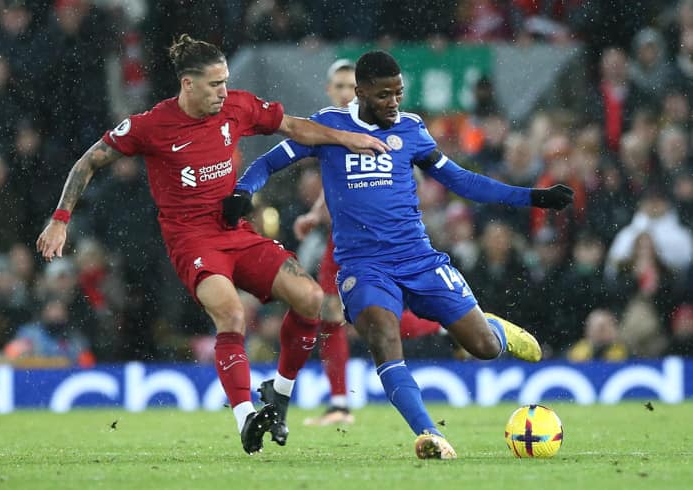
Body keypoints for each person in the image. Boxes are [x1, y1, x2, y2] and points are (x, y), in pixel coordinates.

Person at [35, 35, 388, 455]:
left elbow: (293, 126)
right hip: (192, 241)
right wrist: (60, 220)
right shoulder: (151, 125)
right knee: (231, 313)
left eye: (225, 81)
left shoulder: (237, 106)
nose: (224, 91)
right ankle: (245, 417)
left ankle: (279, 392)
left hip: (237, 233)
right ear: (188, 84)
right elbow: (89, 160)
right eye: (214, 84)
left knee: (311, 298)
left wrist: (349, 139)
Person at [226, 50, 574, 459]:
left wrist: (532, 197)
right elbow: (269, 161)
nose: (393, 102)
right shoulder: (328, 126)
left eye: (398, 93)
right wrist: (241, 192)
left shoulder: (410, 130)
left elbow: (460, 180)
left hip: (419, 259)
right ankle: (430, 434)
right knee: (384, 337)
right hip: (363, 267)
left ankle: (496, 330)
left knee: (482, 347)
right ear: (359, 93)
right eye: (383, 95)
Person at [285, 59, 444, 428]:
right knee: (331, 313)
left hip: (380, 242)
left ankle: (442, 324)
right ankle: (340, 402)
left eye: (348, 86)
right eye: (338, 87)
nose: (344, 93)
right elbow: (340, 183)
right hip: (343, 240)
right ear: (330, 91)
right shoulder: (330, 128)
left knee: (358, 316)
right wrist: (315, 213)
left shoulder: (384, 128)